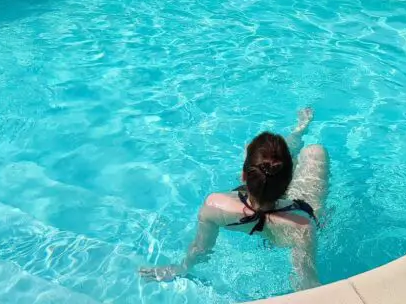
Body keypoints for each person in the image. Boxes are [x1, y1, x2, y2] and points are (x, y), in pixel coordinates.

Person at [140, 109, 329, 291]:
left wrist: (180, 268)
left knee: (266, 154)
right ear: (289, 181)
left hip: (256, 208)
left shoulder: (215, 206)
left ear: (243, 177)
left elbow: (200, 250)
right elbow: (307, 283)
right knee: (315, 151)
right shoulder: (303, 226)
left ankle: (297, 131)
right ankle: (299, 131)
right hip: (288, 219)